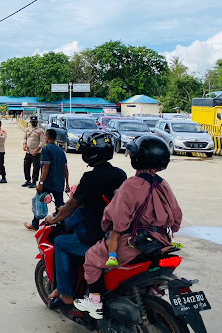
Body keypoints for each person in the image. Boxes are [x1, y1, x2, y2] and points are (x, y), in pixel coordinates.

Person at [74, 135, 182, 319]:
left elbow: (116, 219)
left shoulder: (132, 184)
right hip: (162, 242)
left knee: (91, 257)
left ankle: (95, 302)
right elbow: (177, 219)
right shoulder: (163, 184)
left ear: (137, 158)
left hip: (135, 242)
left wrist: (106, 224)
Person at [42, 132, 127, 307]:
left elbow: (72, 204)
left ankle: (66, 293)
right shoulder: (120, 174)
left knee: (60, 242)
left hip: (97, 234)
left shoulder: (91, 177)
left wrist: (53, 219)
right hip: (118, 231)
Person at [24, 129, 69, 230]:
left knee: (39, 202)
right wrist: (67, 184)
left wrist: (40, 183)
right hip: (59, 183)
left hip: (48, 183)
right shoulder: (60, 150)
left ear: (47, 137)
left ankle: (35, 224)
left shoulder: (46, 149)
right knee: (59, 205)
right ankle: (62, 225)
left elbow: (46, 167)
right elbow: (65, 168)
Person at [23, 115, 45, 188]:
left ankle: (34, 181)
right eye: (32, 122)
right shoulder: (27, 129)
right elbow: (25, 138)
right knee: (26, 166)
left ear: (37, 122)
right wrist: (24, 145)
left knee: (36, 168)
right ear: (30, 122)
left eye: (35, 122)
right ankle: (27, 180)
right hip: (28, 152)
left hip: (36, 152)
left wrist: (37, 150)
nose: (33, 123)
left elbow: (42, 142)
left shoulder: (40, 131)